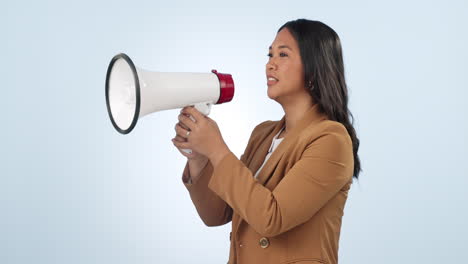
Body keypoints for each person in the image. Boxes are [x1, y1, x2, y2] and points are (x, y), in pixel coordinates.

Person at [171, 18, 361, 264]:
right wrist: (199, 157)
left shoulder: (331, 140)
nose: (270, 64)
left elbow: (271, 217)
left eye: (283, 55)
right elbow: (216, 214)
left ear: (314, 68)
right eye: (269, 54)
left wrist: (217, 149)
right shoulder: (263, 135)